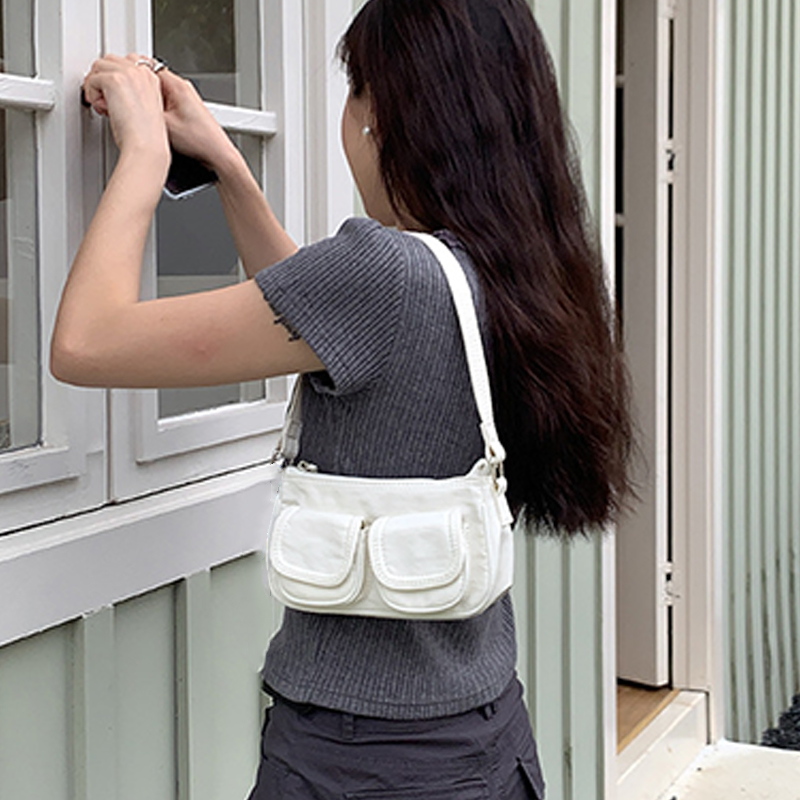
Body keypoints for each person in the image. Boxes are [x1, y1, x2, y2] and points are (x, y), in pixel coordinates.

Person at [53, 0, 633, 797]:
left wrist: (145, 154)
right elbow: (327, 322)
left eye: (355, 87)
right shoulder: (510, 267)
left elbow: (87, 342)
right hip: (483, 734)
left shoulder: (386, 275)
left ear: (383, 113)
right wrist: (229, 169)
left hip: (363, 760)